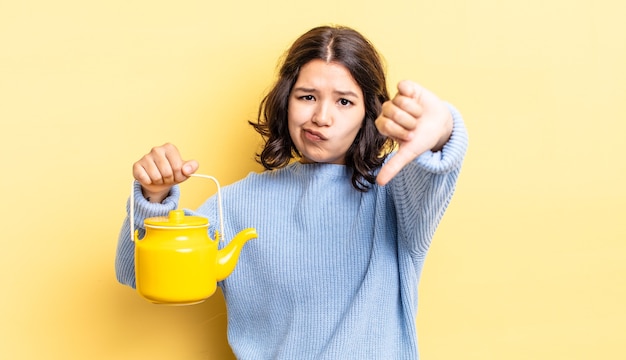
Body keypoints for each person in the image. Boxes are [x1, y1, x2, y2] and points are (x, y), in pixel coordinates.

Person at [116, 25, 468, 359]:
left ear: (368, 113)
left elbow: (436, 166)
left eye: (344, 101)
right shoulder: (237, 204)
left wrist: (442, 129)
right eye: (307, 96)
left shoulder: (396, 195)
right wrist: (153, 197)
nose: (321, 117)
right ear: (286, 100)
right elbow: (137, 272)